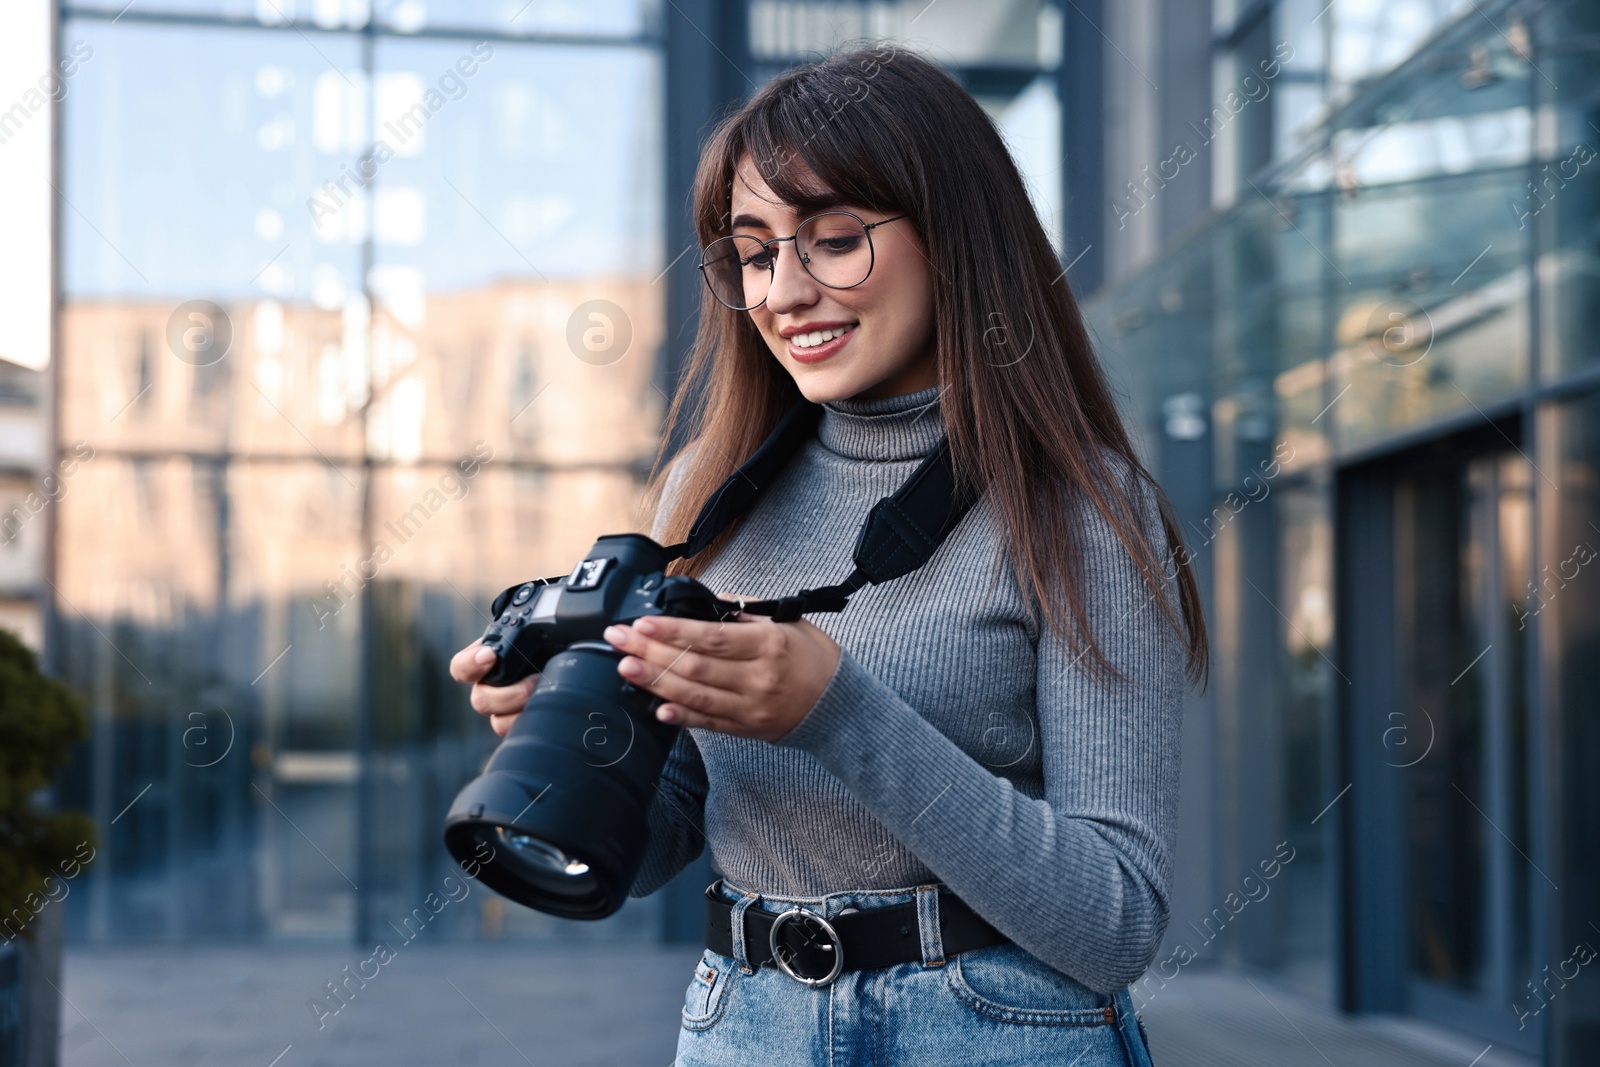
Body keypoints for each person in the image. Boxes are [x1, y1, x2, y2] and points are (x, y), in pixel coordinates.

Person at [450, 43, 1207, 1067]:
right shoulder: (702, 499)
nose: (783, 291)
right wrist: (570, 727)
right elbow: (659, 840)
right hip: (743, 1025)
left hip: (1003, 1034)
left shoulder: (1083, 513)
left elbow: (1115, 922)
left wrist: (833, 708)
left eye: (835, 238)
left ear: (956, 236)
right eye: (755, 253)